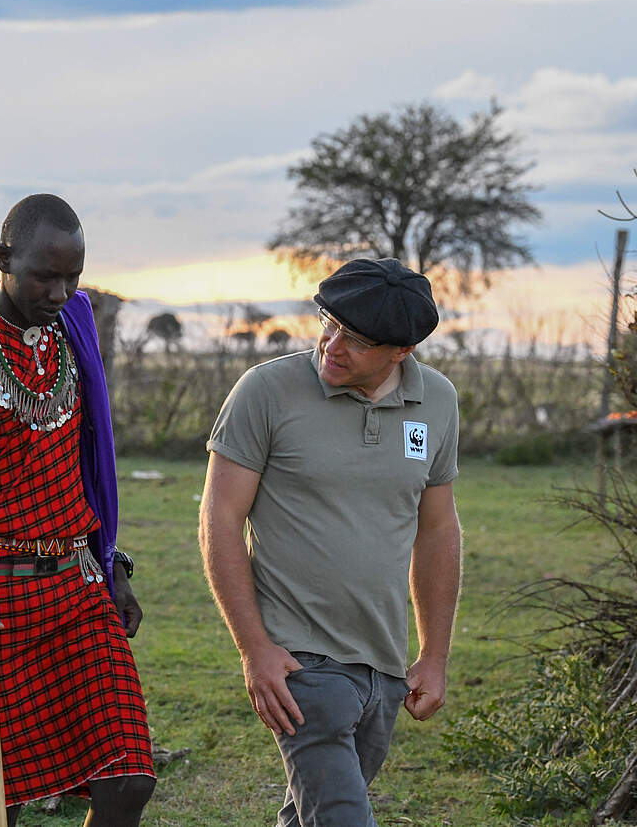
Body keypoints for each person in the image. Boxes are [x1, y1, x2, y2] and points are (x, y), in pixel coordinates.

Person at [0, 194, 156, 826]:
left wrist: (110, 560)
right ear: (3, 259)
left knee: (128, 779)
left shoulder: (74, 332)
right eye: (45, 274)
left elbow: (85, 463)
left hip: (77, 585)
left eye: (74, 275)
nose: (61, 290)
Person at [198, 257, 462, 827]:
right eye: (329, 322)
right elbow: (219, 520)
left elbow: (438, 529)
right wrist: (255, 649)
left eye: (357, 340)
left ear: (401, 351)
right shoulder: (266, 391)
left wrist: (434, 657)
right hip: (300, 662)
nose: (333, 345)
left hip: (384, 668)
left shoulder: (437, 403)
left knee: (310, 817)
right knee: (343, 817)